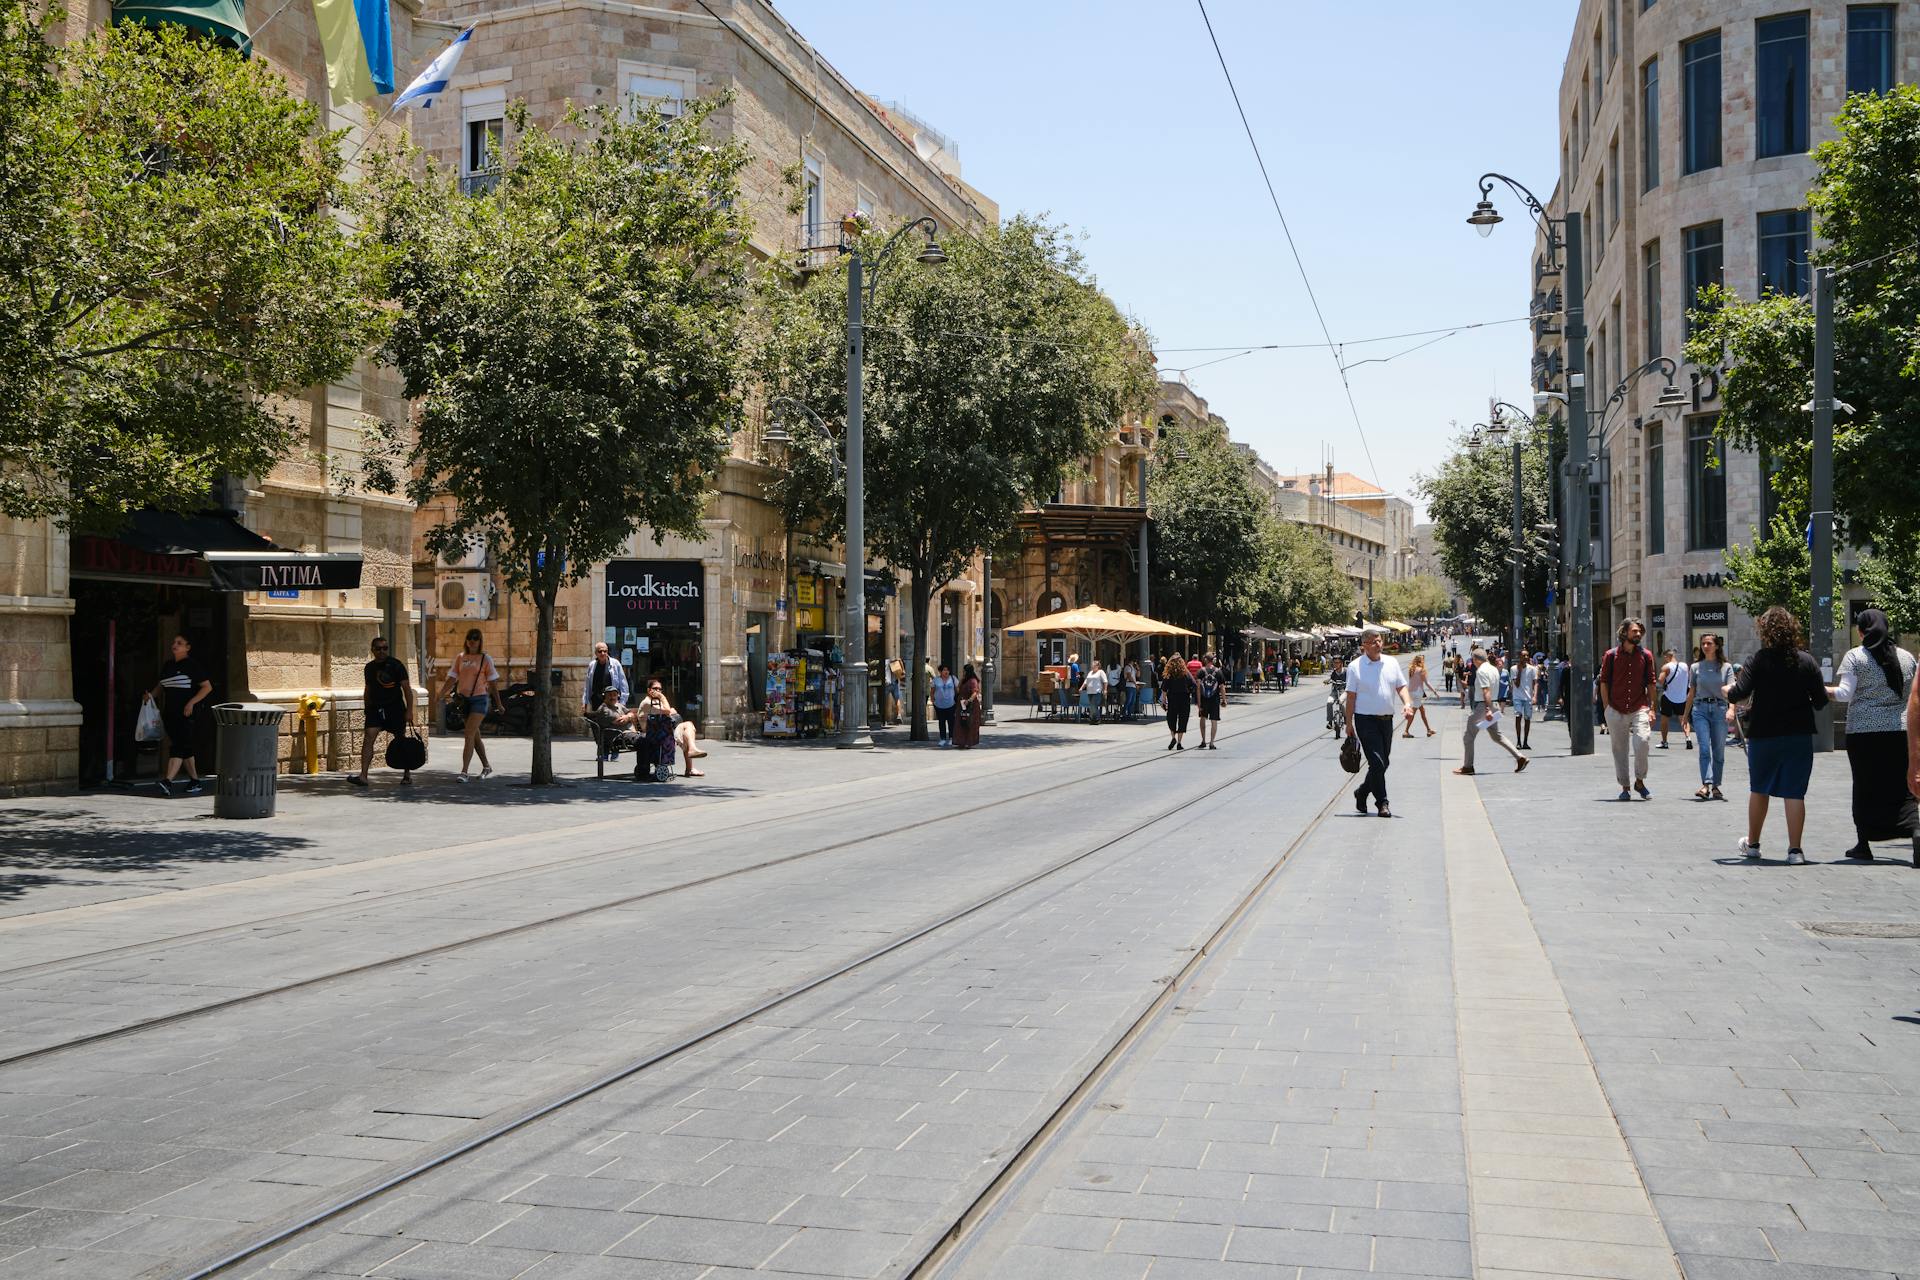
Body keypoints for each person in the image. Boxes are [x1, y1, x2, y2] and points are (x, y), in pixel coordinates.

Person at [1729, 606, 1828, 864]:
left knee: (1759, 788)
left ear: (1764, 630)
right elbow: (1820, 702)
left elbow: (1738, 692)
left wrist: (1726, 690)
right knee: (1794, 792)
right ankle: (1795, 851)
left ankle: (1753, 845)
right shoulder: (1806, 661)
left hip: (1764, 734)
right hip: (1798, 734)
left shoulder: (1758, 659)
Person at [1826, 608, 1917, 864]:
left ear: (1861, 630)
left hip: (1864, 734)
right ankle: (1914, 829)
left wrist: (1821, 690)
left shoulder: (1856, 656)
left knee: (1866, 785)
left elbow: (1844, 694)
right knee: (1902, 786)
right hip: (1899, 732)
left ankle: (1864, 843)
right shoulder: (1906, 657)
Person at [1345, 628, 1413, 816]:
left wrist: (1407, 703)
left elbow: (1401, 686)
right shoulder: (1355, 666)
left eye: (1380, 640)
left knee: (1383, 763)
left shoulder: (1391, 662)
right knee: (1377, 762)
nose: (1378, 644)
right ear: (1364, 645)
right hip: (1365, 720)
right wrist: (1348, 723)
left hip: (1386, 720)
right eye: (1374, 641)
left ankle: (1362, 791)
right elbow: (1351, 697)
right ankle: (1382, 803)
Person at [147, 632, 213, 796]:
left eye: (180, 643)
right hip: (170, 713)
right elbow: (161, 685)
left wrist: (191, 702)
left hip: (186, 714)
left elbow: (207, 687)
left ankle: (167, 781)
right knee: (185, 747)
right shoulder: (168, 665)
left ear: (187, 647)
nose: (175, 645)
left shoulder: (192, 666)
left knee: (178, 746)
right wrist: (150, 696)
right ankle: (195, 781)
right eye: (174, 642)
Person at [1599, 618, 1656, 800]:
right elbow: (1604, 682)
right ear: (1624, 633)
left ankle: (1640, 780)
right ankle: (1625, 786)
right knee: (1619, 749)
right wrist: (1607, 707)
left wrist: (1653, 707)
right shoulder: (1610, 655)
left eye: (1640, 631)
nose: (1638, 634)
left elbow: (1651, 683)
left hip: (1639, 706)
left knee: (1642, 741)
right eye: (1634, 631)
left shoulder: (1646, 655)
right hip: (1615, 708)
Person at [352, 636, 415, 787]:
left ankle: (407, 775)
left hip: (395, 709)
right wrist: (367, 707)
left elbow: (407, 689)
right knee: (369, 738)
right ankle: (363, 776)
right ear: (372, 650)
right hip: (376, 709)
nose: (382, 651)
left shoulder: (397, 665)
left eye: (385, 648)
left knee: (401, 741)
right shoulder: (369, 668)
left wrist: (409, 711)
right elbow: (368, 689)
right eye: (378, 648)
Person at [1457, 651, 1528, 776]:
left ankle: (1468, 766)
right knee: (1496, 736)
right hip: (1494, 704)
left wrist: (1487, 709)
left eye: (1473, 660)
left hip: (1483, 706)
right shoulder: (1494, 669)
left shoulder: (1481, 671)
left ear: (1475, 659)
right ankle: (1519, 757)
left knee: (1468, 737)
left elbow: (1486, 690)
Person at [442, 628, 498, 783]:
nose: (472, 641)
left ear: (480, 641)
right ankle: (487, 766)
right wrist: (440, 693)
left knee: (468, 733)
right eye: (470, 638)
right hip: (464, 702)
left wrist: (499, 703)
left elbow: (493, 683)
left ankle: (464, 772)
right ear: (466, 640)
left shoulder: (486, 659)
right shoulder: (461, 658)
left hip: (480, 700)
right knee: (474, 735)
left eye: (476, 638)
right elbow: (452, 678)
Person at [1684, 635, 1732, 801]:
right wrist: (1685, 716)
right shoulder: (1696, 667)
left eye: (1709, 643)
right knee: (1704, 748)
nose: (1705, 646)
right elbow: (1691, 692)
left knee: (1718, 750)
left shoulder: (1726, 667)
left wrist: (1731, 710)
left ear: (1717, 646)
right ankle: (1706, 784)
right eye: (1703, 643)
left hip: (1720, 709)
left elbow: (1732, 692)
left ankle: (1716, 786)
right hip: (1700, 709)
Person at [581, 642, 629, 759]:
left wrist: (621, 703)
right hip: (597, 701)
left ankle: (614, 749)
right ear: (595, 653)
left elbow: (623, 684)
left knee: (614, 725)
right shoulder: (592, 665)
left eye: (605, 651)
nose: (603, 653)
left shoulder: (615, 664)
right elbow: (588, 685)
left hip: (612, 701)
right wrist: (585, 701)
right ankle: (603, 751)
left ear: (607, 651)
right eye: (600, 651)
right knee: (597, 727)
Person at [1657, 647, 1693, 751]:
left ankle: (1664, 742)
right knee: (1683, 719)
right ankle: (1688, 738)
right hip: (1682, 697)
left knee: (1664, 720)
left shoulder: (1666, 667)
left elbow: (1660, 680)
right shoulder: (1685, 666)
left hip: (1668, 696)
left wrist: (1665, 682)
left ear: (1666, 656)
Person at [1161, 652, 1196, 751]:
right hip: (1184, 698)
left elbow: (1164, 689)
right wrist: (1190, 692)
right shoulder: (1186, 673)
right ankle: (1179, 742)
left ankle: (1173, 738)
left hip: (1172, 698)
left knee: (1171, 718)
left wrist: (1164, 702)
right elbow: (1194, 685)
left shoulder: (1169, 674)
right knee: (1183, 719)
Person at [1403, 653, 1436, 738]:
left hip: (1411, 692)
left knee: (1422, 711)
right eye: (1422, 660)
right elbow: (1427, 682)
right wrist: (1434, 691)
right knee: (1412, 713)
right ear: (1420, 661)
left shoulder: (1411, 669)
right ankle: (1406, 731)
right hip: (1418, 693)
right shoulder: (1421, 670)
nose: (1424, 661)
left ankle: (1428, 730)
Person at [1510, 650, 1538, 750]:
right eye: (1523, 655)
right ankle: (1518, 741)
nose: (1525, 657)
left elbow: (1535, 683)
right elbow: (1516, 684)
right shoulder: (1513, 669)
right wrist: (1520, 671)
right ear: (1519, 657)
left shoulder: (1532, 669)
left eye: (1527, 655)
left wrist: (1535, 696)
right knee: (1518, 716)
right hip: (1517, 696)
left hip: (1528, 697)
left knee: (1527, 718)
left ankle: (1525, 741)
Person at [1195, 656, 1224, 749]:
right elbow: (1222, 687)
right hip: (1214, 699)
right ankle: (1211, 743)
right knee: (1214, 721)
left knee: (1202, 718)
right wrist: (1224, 699)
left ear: (1206, 660)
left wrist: (1199, 703)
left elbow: (1198, 688)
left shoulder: (1201, 671)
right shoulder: (1218, 672)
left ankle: (1203, 741)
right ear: (1213, 661)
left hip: (1204, 699)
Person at [952, 663, 983, 749]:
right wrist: (961, 680)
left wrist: (968, 701)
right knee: (960, 723)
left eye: (964, 671)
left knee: (969, 723)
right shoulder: (964, 680)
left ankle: (969, 742)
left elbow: (975, 692)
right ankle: (961, 741)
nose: (963, 672)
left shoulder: (973, 681)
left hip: (970, 706)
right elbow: (958, 689)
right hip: (962, 704)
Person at [930, 663, 958, 745]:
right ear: (940, 671)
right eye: (944, 670)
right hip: (939, 705)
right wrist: (933, 701)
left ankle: (951, 738)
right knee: (941, 722)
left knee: (951, 722)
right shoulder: (936, 680)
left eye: (947, 670)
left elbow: (957, 689)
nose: (946, 672)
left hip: (951, 704)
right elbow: (932, 691)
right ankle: (942, 738)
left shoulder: (953, 679)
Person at [1080, 659, 1108, 724]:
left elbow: (1105, 681)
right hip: (1089, 692)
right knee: (1092, 706)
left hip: (1097, 692)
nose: (1092, 667)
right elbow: (1086, 681)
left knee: (1093, 705)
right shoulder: (1090, 672)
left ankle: (1097, 719)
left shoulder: (1101, 672)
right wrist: (1081, 688)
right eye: (1092, 665)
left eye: (1094, 665)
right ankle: (1093, 719)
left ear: (1097, 666)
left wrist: (1105, 690)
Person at [886, 656, 906, 725]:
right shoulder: (890, 660)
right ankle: (899, 715)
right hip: (894, 682)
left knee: (883, 701)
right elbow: (899, 659)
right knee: (897, 699)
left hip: (886, 683)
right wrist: (903, 670)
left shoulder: (882, 661)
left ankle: (885, 718)